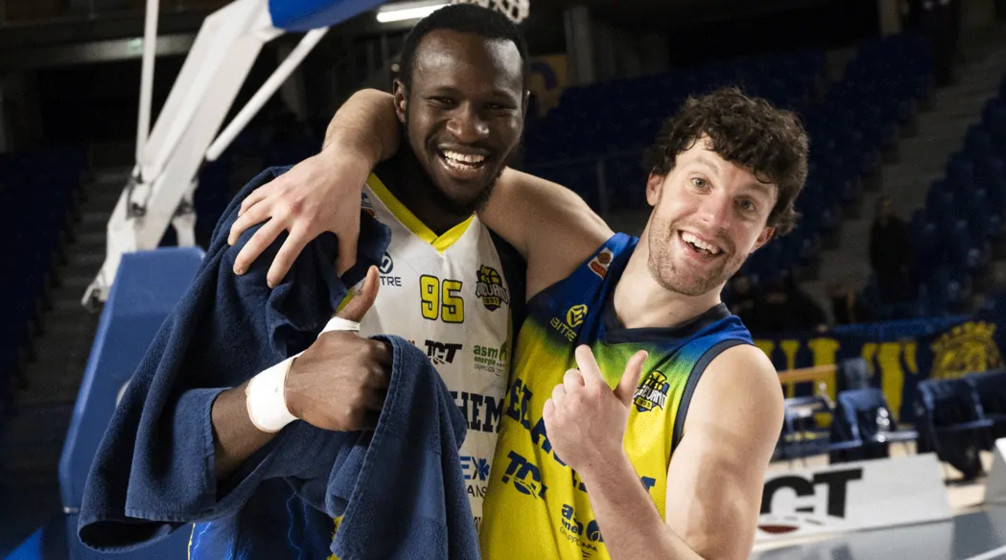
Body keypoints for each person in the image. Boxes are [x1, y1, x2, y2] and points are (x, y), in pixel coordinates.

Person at [230, 86, 808, 559]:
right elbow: (397, 116)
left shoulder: (733, 378)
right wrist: (341, 162)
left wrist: (601, 461)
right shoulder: (570, 247)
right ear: (657, 183)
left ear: (763, 236)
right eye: (700, 182)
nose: (713, 217)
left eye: (746, 205)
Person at [79, 5, 562, 558]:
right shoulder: (302, 220)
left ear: (523, 110)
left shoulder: (517, 254)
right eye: (443, 101)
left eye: (495, 106)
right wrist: (287, 390)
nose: (468, 128)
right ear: (401, 100)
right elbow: (156, 457)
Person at [869, 195, 911, 305]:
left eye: (888, 207)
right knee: (885, 297)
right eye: (883, 207)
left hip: (897, 268)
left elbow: (904, 245)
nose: (885, 210)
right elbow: (873, 247)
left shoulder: (898, 226)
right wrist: (875, 264)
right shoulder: (876, 228)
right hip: (882, 270)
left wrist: (904, 263)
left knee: (899, 297)